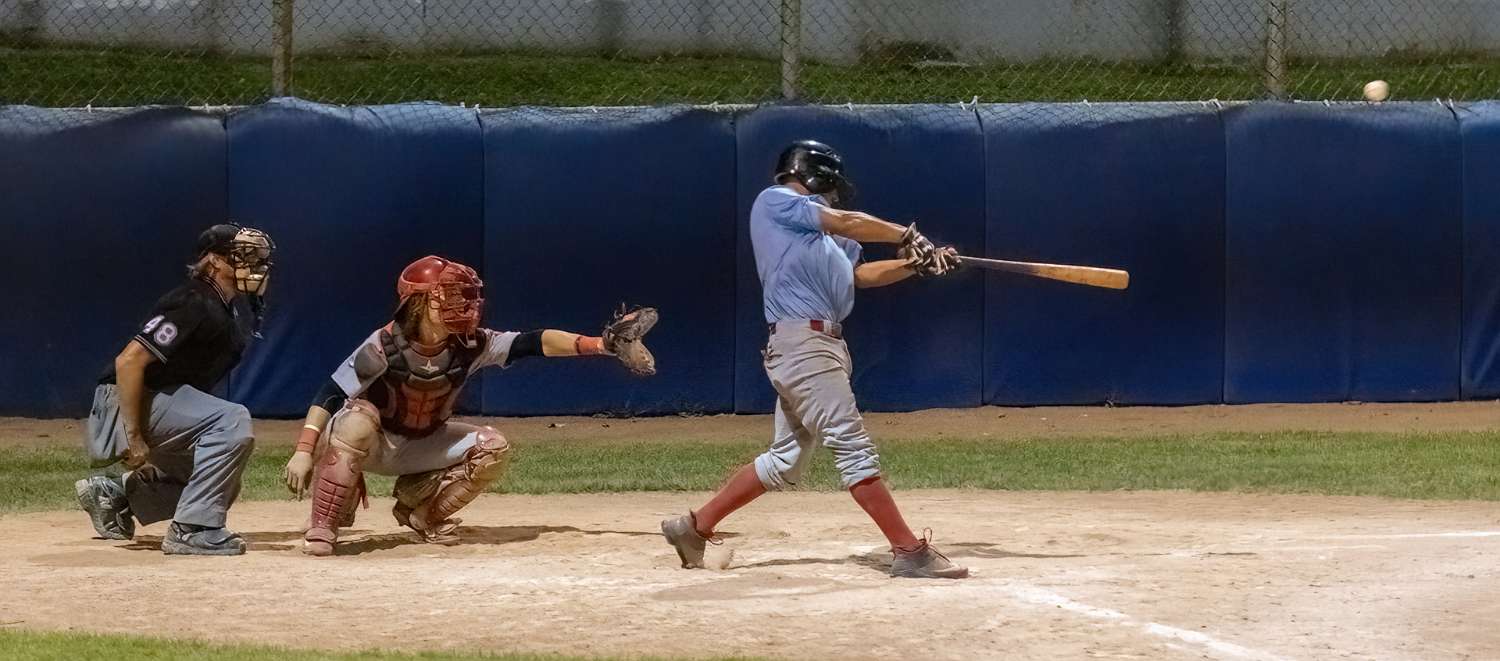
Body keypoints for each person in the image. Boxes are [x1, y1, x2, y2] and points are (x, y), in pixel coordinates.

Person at [660, 140, 968, 578]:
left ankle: (694, 527)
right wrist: (907, 236)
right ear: (814, 175)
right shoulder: (776, 202)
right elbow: (848, 221)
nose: (836, 194)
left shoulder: (830, 237)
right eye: (832, 184)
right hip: (802, 345)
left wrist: (916, 265)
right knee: (852, 446)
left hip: (820, 345)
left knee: (785, 460)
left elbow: (860, 276)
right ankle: (909, 550)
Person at [283, 255, 656, 556]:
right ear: (420, 302)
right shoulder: (384, 345)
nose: (464, 305)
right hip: (374, 443)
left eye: (464, 296)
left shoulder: (472, 343)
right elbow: (330, 393)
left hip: (423, 442)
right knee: (356, 419)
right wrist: (303, 450)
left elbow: (533, 342)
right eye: (450, 296)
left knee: (493, 447)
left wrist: (600, 345)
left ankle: (422, 515)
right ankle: (324, 524)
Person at [75, 223, 276, 556]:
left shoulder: (225, 310)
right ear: (213, 261)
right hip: (124, 402)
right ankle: (191, 531)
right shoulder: (193, 300)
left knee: (221, 480)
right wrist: (133, 435)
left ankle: (116, 495)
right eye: (243, 256)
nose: (254, 266)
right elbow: (129, 362)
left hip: (155, 400)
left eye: (258, 259)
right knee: (232, 420)